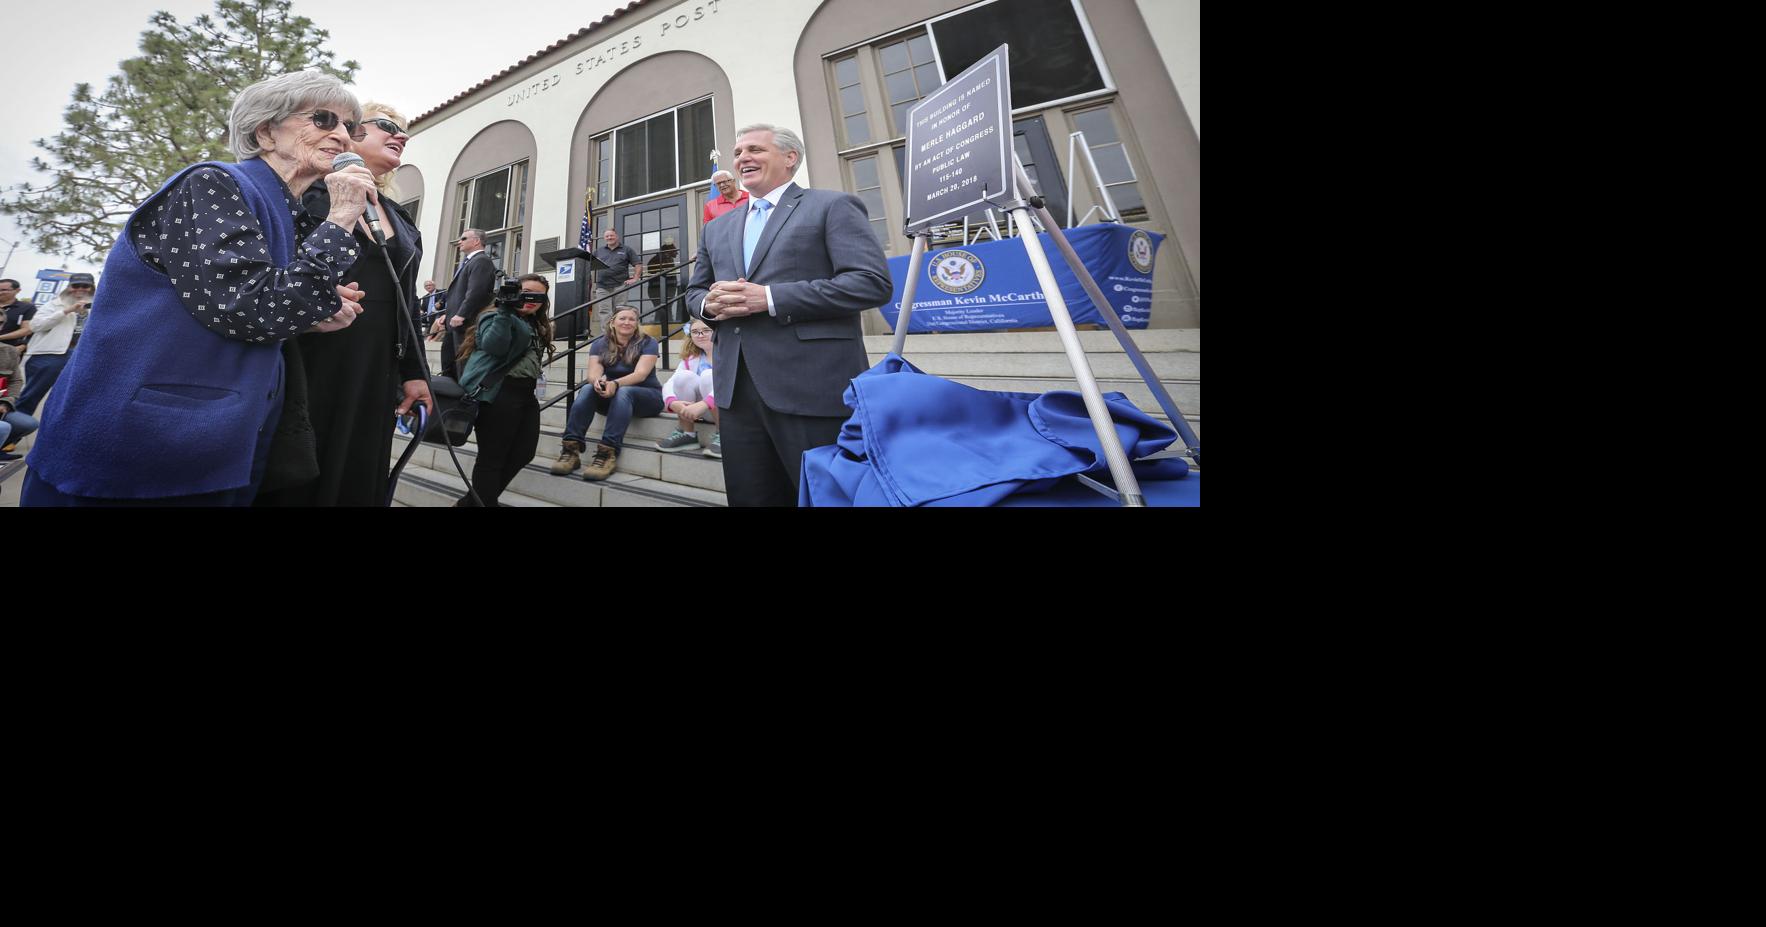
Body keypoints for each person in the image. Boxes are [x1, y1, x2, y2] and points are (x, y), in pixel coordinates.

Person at [21, 70, 373, 506]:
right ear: (265, 132)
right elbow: (251, 308)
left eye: (350, 127)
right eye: (324, 119)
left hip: (215, 446)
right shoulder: (213, 183)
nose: (342, 136)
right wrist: (340, 219)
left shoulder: (287, 212)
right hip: (140, 450)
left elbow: (255, 305)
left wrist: (313, 314)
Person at [686, 123, 892, 506]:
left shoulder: (831, 206)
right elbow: (694, 291)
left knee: (823, 498)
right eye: (738, 153)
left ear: (790, 157)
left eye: (755, 150)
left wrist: (769, 298)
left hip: (811, 387)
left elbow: (870, 283)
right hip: (736, 393)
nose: (742, 158)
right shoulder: (717, 228)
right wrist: (708, 307)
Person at [255, 101, 432, 507]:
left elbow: (409, 301)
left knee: (360, 475)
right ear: (350, 133)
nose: (401, 137)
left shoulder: (400, 218)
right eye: (388, 126)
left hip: (376, 369)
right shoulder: (304, 194)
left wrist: (415, 372)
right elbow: (273, 271)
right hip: (312, 357)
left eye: (405, 133)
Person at [454, 274, 554, 507]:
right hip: (498, 392)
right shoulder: (494, 315)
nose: (530, 299)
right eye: (525, 291)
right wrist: (505, 311)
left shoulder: (535, 323)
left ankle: (472, 502)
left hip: (525, 394)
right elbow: (494, 346)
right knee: (492, 458)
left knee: (524, 452)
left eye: (537, 295)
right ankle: (484, 502)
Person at [548, 305, 662, 480]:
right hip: (613, 397)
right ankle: (571, 449)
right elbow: (593, 373)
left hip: (647, 397)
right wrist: (599, 382)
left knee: (625, 392)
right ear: (613, 322)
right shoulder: (600, 343)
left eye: (632, 319)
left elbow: (641, 374)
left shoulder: (648, 342)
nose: (627, 322)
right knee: (587, 388)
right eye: (622, 318)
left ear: (637, 323)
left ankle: (607, 453)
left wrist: (615, 384)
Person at [9, 273, 92, 416]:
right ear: (69, 287)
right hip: (48, 356)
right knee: (29, 398)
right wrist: (66, 311)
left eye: (85, 286)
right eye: (76, 286)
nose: (80, 289)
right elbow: (35, 326)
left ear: (92, 288)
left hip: (81, 357)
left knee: (68, 399)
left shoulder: (99, 306)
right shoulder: (54, 304)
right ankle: (12, 431)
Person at [431, 228, 495, 379]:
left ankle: (465, 399)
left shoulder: (481, 261)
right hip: (453, 323)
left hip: (466, 324)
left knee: (463, 365)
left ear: (476, 241)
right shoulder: (469, 262)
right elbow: (458, 293)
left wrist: (461, 314)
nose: (459, 241)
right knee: (449, 364)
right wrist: (447, 315)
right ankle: (451, 397)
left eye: (464, 238)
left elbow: (476, 292)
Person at [657, 320, 719, 458]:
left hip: (726, 412)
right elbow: (669, 383)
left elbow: (729, 383)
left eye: (706, 330)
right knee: (682, 377)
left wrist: (705, 404)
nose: (700, 335)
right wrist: (672, 402)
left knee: (708, 375)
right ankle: (687, 434)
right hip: (696, 411)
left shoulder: (730, 355)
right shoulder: (692, 359)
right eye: (695, 332)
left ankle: (724, 435)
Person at [588, 228, 641, 338]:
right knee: (604, 311)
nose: (609, 238)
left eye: (611, 235)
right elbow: (587, 264)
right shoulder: (599, 251)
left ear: (616, 236)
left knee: (620, 311)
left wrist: (635, 278)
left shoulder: (627, 250)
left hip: (620, 285)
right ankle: (608, 336)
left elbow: (638, 264)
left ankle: (620, 335)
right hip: (602, 287)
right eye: (607, 236)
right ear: (604, 238)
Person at [0, 279, 35, 351]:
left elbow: (27, 329)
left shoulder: (27, 308)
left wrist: (1, 337)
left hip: (8, 349)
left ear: (17, 290)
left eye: (4, 290)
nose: (0, 292)